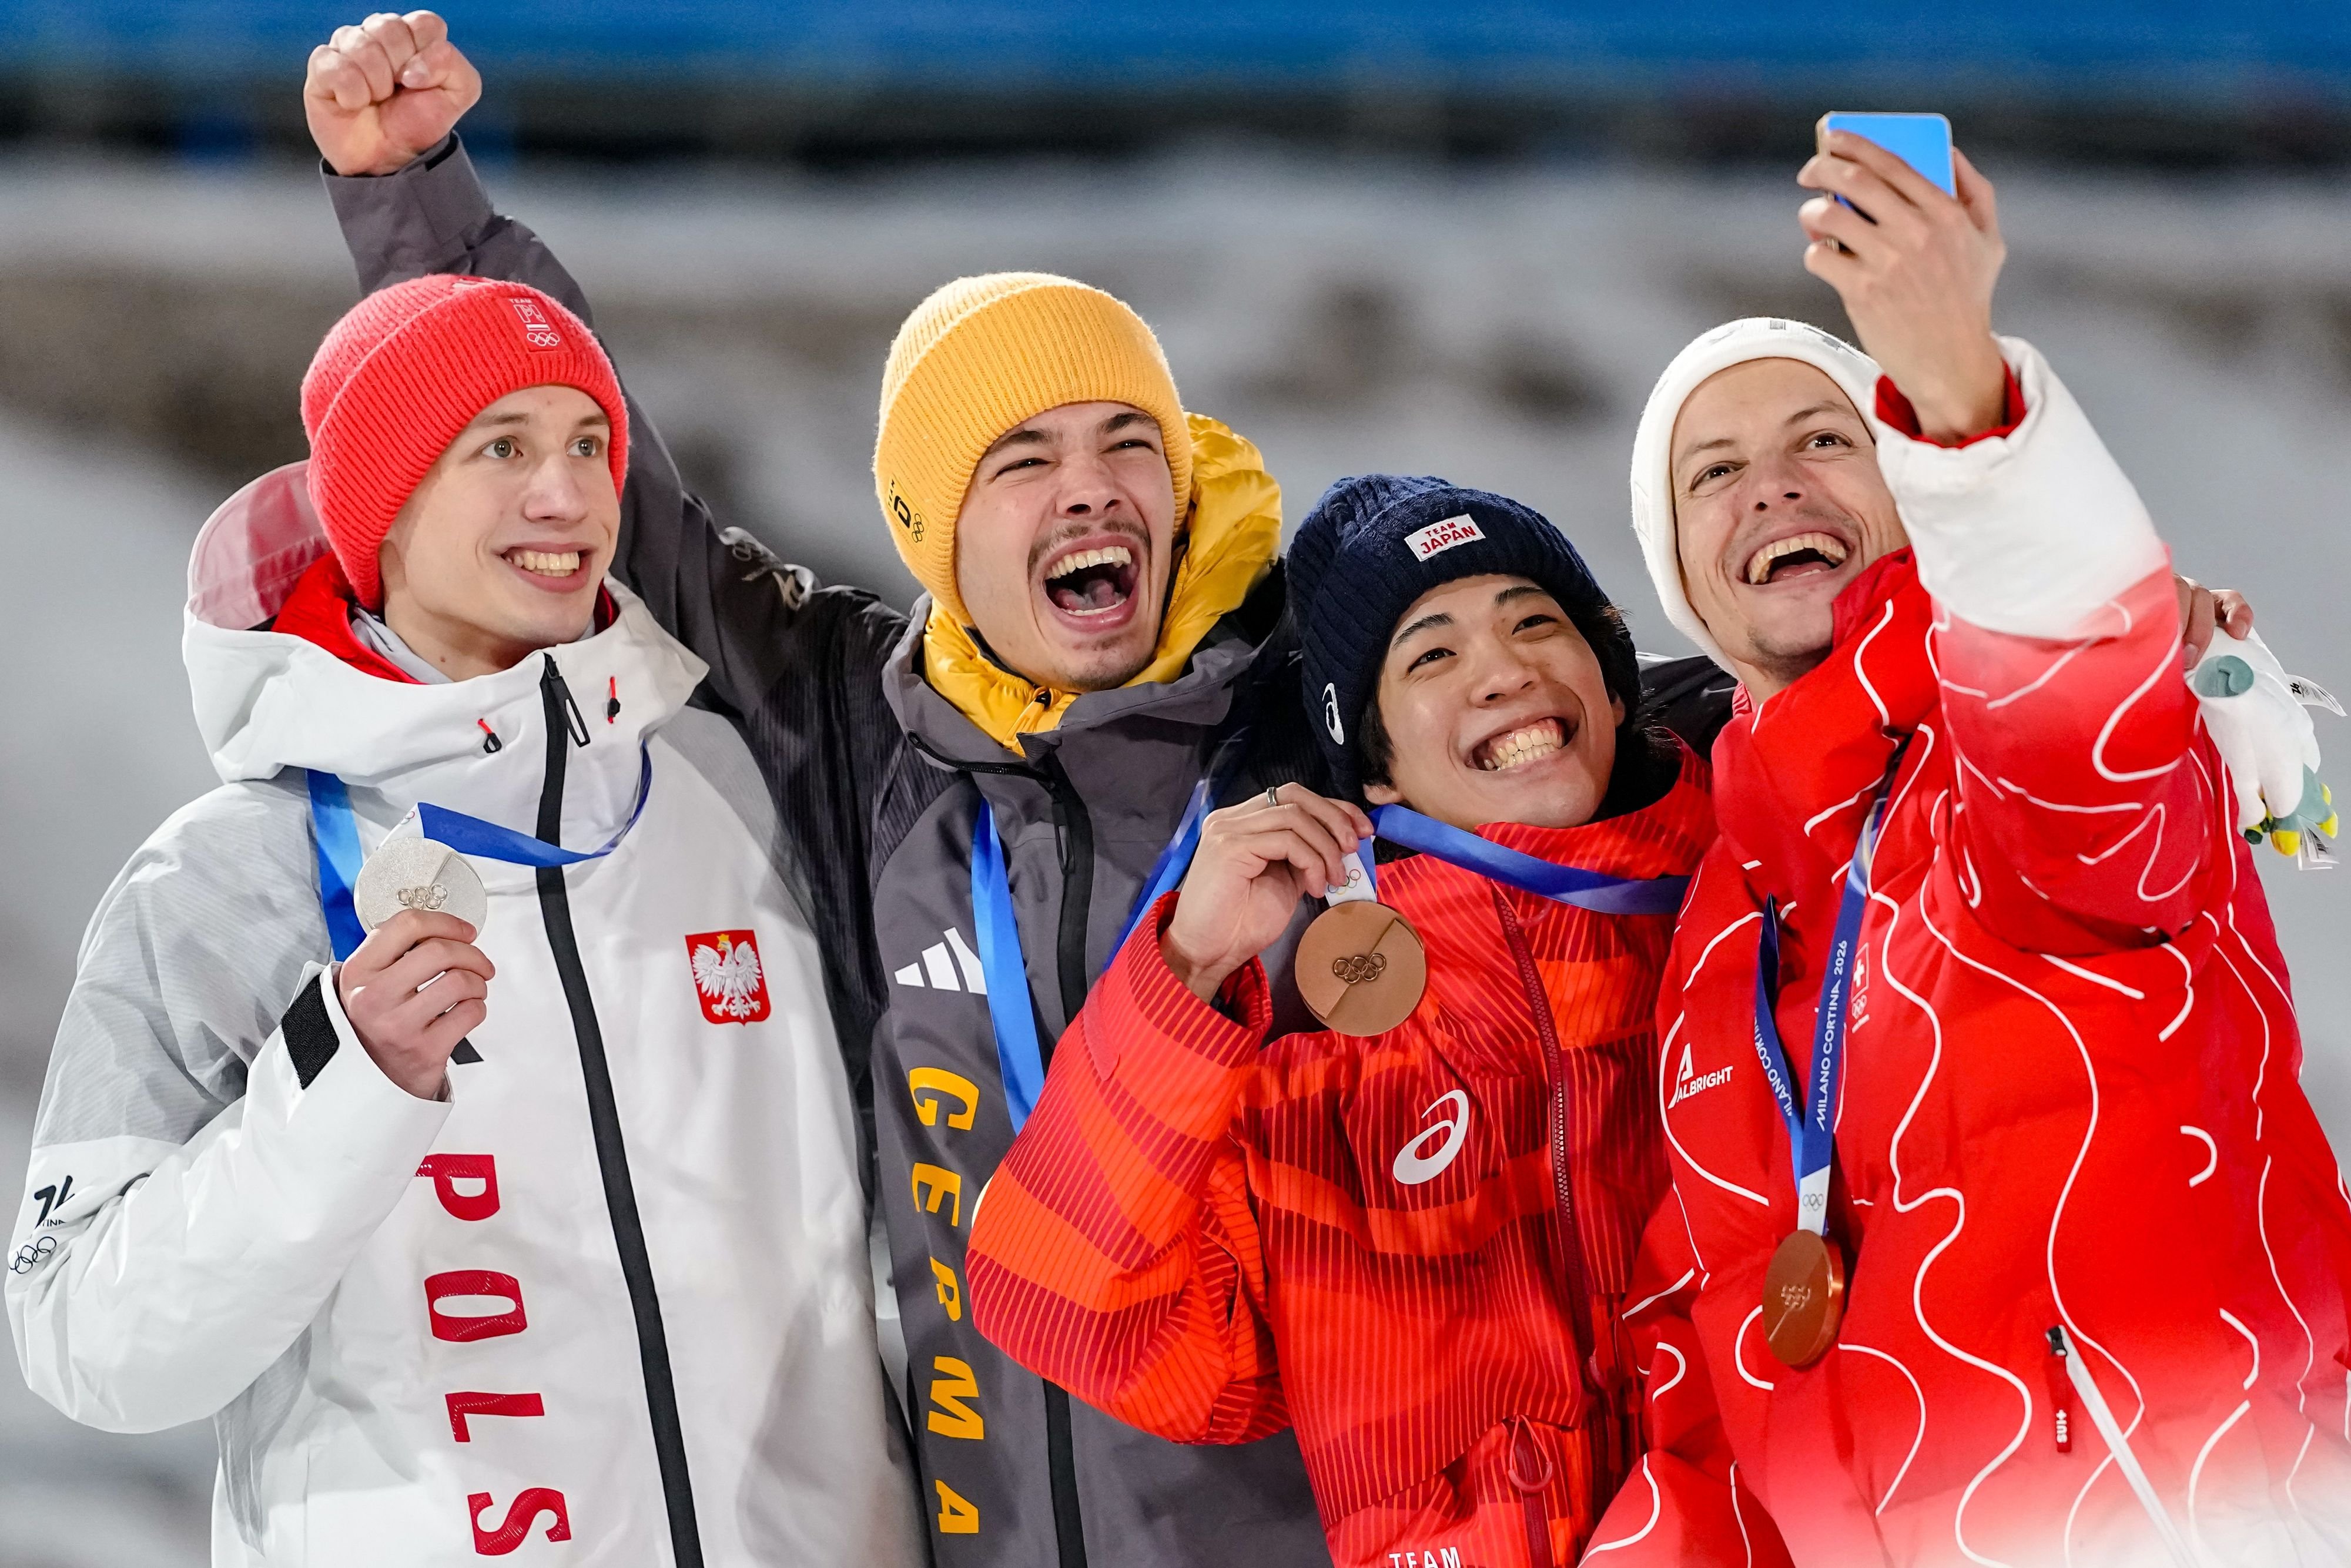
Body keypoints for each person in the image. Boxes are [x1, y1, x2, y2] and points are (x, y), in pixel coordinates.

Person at [302, 14, 1335, 1565]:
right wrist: (421, 204)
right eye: (1022, 460)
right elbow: (636, 526)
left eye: (1129, 442)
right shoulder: (876, 740)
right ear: (937, 532)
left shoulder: (1317, 712)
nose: (1089, 488)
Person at [5, 275, 924, 1564]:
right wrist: (342, 1085)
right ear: (383, 505)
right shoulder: (227, 880)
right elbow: (86, 1345)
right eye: (503, 447)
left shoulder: (733, 796)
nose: (568, 495)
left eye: (589, 444)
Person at [1581, 131, 2351, 1564]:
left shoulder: (2005, 753)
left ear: (1903, 498)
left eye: (1823, 439)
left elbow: (2070, 715)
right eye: (1713, 471)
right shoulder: (1712, 944)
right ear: (1681, 577)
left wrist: (1955, 397)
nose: (1773, 487)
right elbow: (1698, 1371)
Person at [963, 473, 1713, 1567]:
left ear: (1609, 682)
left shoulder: (1764, 928)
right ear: (1369, 761)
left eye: (1536, 623)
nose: (1505, 671)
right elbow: (1069, 1309)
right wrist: (1192, 963)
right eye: (1433, 655)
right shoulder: (1323, 1075)